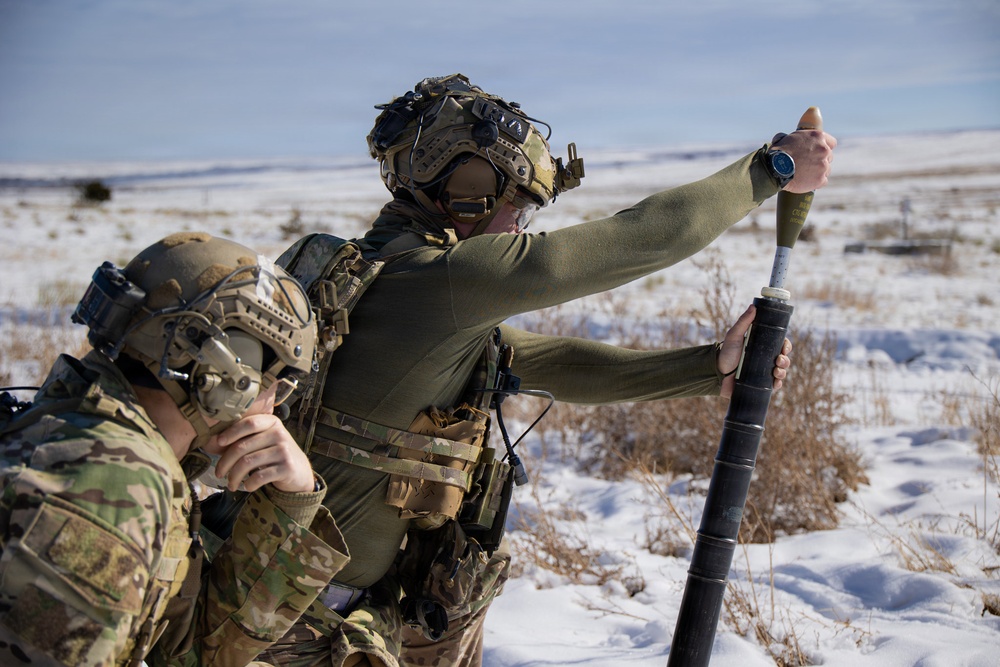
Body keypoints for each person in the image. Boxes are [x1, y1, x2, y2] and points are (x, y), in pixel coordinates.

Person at [267, 73, 836, 667]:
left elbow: (549, 364)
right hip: (299, 632)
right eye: (517, 201)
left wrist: (704, 368)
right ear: (469, 188)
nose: (521, 222)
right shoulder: (447, 283)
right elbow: (640, 239)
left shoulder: (382, 273)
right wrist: (772, 169)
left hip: (280, 604)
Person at [0, 232, 350, 667]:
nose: (274, 406)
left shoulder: (114, 446)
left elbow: (187, 651)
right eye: (276, 384)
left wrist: (292, 501)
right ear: (224, 373)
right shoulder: (106, 490)